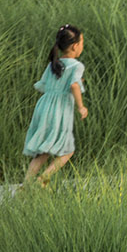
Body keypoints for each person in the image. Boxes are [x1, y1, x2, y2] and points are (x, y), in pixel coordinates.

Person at [23, 24, 87, 188]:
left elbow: (44, 85)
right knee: (67, 150)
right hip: (60, 110)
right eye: (81, 43)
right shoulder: (77, 65)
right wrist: (81, 106)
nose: (82, 47)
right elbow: (73, 86)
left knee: (43, 151)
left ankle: (26, 185)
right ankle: (42, 180)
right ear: (75, 46)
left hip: (44, 107)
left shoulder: (53, 64)